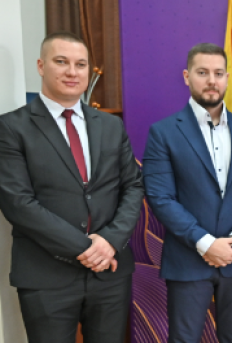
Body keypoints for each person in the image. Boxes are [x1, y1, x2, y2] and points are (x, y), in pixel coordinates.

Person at [0, 32, 144, 343]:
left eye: (81, 64)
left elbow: (133, 186)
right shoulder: (11, 127)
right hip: (45, 276)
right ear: (41, 66)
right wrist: (87, 248)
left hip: (110, 273)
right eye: (61, 62)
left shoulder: (111, 126)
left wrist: (110, 241)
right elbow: (17, 203)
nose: (72, 72)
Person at [142, 43, 232, 343]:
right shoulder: (163, 133)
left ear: (227, 78)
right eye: (202, 73)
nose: (211, 80)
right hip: (187, 259)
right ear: (187, 76)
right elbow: (161, 197)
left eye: (218, 73)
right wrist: (206, 244)